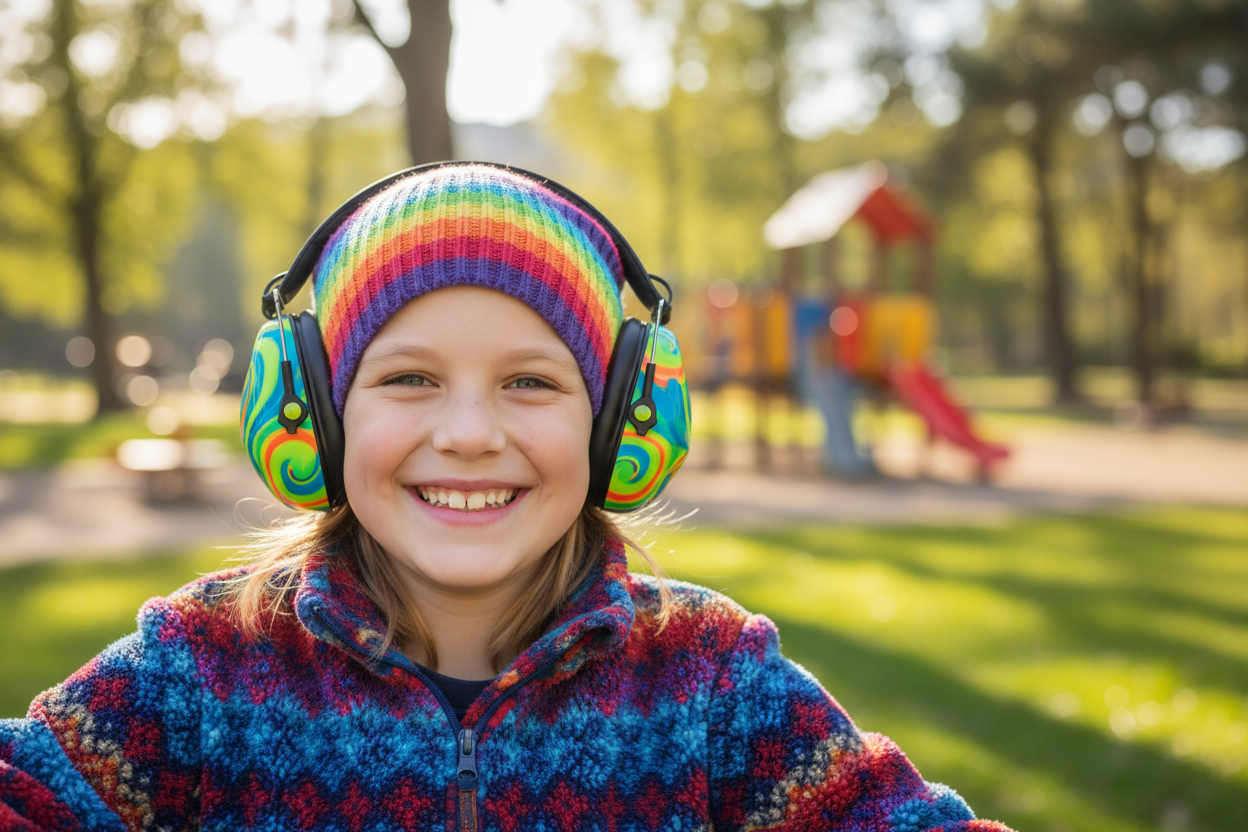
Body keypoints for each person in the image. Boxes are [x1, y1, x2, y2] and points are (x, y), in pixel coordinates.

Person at [0, 163, 1014, 831]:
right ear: (312, 413)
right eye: (409, 379)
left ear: (621, 422)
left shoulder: (712, 686)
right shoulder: (205, 669)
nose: (472, 431)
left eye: (531, 381)